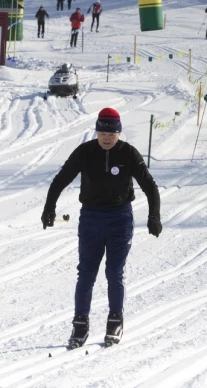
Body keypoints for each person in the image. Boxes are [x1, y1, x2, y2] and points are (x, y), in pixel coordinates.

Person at [41, 107, 162, 348]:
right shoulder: (85, 152)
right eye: (102, 133)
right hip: (91, 219)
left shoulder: (128, 153)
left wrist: (154, 216)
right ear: (96, 131)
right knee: (85, 273)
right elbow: (61, 178)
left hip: (120, 219)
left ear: (119, 133)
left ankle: (115, 321)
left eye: (112, 134)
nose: (106, 138)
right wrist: (49, 208)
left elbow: (149, 185)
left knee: (113, 273)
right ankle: (80, 325)